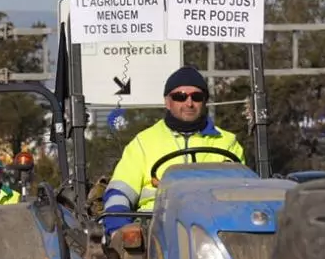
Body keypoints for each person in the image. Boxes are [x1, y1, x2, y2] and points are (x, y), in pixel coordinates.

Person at [98, 66, 245, 237]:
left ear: (205, 101)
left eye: (196, 97)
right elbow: (120, 190)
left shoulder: (228, 143)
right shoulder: (143, 142)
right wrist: (118, 230)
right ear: (168, 102)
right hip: (154, 231)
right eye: (180, 97)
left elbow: (240, 195)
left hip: (214, 231)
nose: (189, 103)